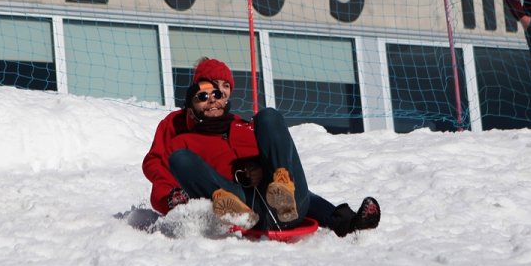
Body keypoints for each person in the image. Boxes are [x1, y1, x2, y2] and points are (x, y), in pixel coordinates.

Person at [142, 57, 381, 237]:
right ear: (195, 94)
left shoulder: (244, 126)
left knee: (268, 118)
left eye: (223, 88)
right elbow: (160, 166)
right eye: (210, 89)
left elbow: (273, 154)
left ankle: (344, 221)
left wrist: (262, 169)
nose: (216, 95)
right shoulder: (179, 131)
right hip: (239, 198)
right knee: (181, 159)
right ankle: (236, 209)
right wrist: (170, 198)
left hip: (276, 192)